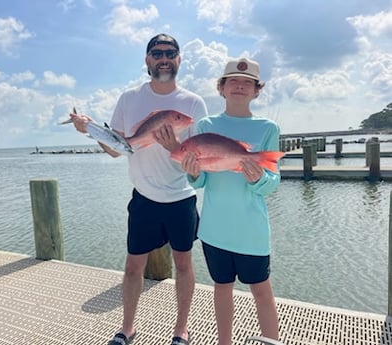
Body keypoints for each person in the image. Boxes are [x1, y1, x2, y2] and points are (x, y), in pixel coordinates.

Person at [71, 33, 208, 345]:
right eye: (157, 53)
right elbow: (118, 149)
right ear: (147, 60)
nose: (163, 58)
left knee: (184, 265)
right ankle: (127, 328)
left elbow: (197, 161)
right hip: (143, 197)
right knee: (134, 266)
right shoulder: (129, 99)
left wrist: (175, 147)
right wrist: (89, 129)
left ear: (179, 60)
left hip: (181, 198)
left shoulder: (193, 104)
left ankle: (181, 330)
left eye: (170, 53)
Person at [180, 57, 281, 344]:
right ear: (221, 88)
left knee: (261, 290)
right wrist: (192, 173)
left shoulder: (268, 128)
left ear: (257, 91)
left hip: (252, 231)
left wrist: (257, 179)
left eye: (247, 82)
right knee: (221, 288)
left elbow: (272, 183)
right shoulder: (206, 125)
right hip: (214, 230)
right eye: (233, 81)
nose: (240, 86)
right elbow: (201, 182)